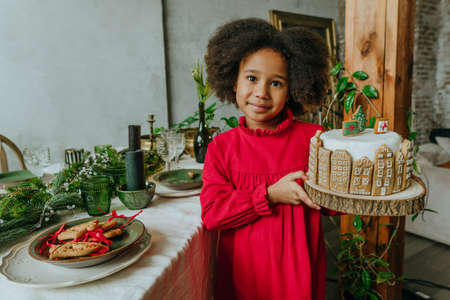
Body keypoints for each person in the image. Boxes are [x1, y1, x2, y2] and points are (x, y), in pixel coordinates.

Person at [200, 18, 340, 300]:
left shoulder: (314, 139)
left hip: (298, 276)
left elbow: (335, 204)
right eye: (252, 78)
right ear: (233, 81)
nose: (262, 93)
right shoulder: (222, 147)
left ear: (293, 89)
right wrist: (270, 195)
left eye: (276, 83)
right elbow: (213, 214)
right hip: (244, 278)